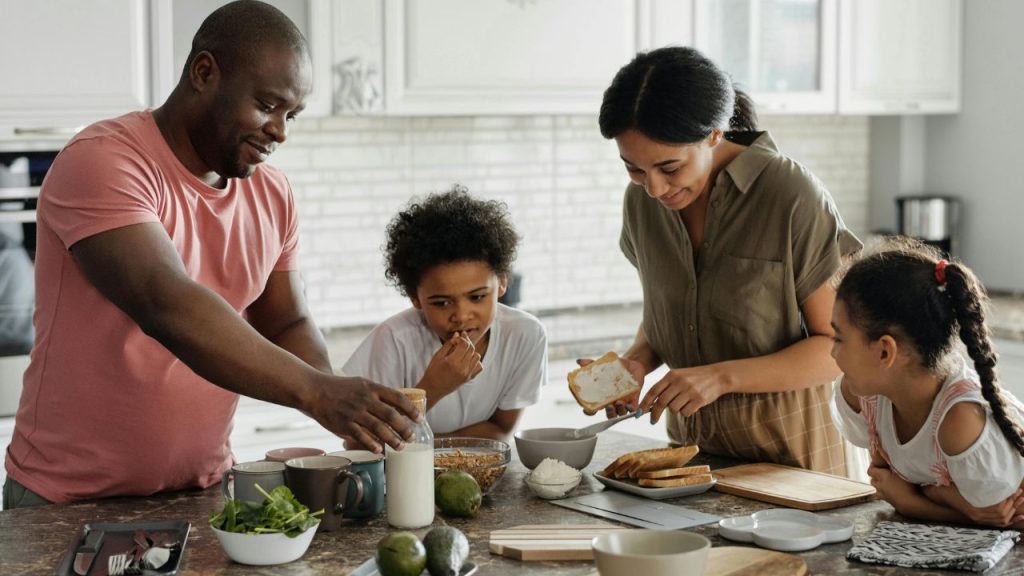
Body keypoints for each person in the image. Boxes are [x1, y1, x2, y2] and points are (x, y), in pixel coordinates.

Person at [3, 0, 417, 509]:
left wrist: (340, 403)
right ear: (204, 72)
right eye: (267, 105)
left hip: (203, 491)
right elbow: (166, 302)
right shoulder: (103, 161)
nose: (281, 131)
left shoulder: (272, 192)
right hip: (68, 500)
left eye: (292, 114)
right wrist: (317, 392)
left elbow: (286, 321)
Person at [594, 46, 861, 474]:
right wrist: (637, 363)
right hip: (692, 463)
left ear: (715, 134)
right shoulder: (641, 204)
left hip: (796, 465)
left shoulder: (789, 195)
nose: (655, 189)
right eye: (635, 169)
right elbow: (673, 314)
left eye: (670, 168)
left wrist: (720, 378)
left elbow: (838, 349)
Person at [830, 238, 1024, 528]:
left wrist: (913, 501)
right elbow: (886, 482)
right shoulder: (865, 395)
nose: (832, 352)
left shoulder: (960, 422)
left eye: (839, 338)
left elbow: (1004, 520)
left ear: (885, 351)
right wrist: (946, 498)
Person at [343, 186, 547, 441]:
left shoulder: (525, 335)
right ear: (414, 297)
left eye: (477, 297)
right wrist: (432, 388)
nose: (461, 315)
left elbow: (501, 429)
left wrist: (427, 448)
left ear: (503, 282)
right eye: (441, 303)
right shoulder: (393, 341)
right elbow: (359, 443)